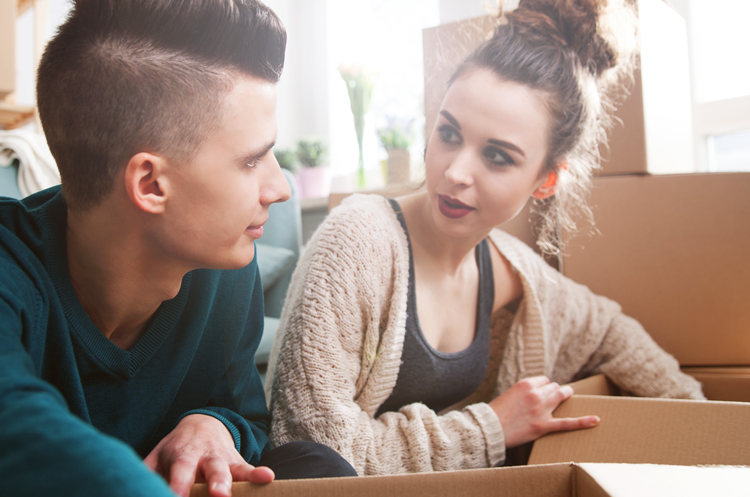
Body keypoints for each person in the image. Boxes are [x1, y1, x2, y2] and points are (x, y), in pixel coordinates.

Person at [265, 0, 705, 476]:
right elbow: (309, 448)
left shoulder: (515, 273)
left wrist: (708, 432)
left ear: (546, 180)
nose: (455, 172)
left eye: (497, 156)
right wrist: (491, 427)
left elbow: (608, 331)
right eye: (449, 133)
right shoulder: (358, 241)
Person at [0, 1, 357, 496]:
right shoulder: (9, 264)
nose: (279, 187)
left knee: (315, 466)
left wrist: (212, 424)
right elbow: (11, 420)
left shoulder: (225, 262)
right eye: (253, 160)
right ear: (150, 184)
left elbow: (245, 416)